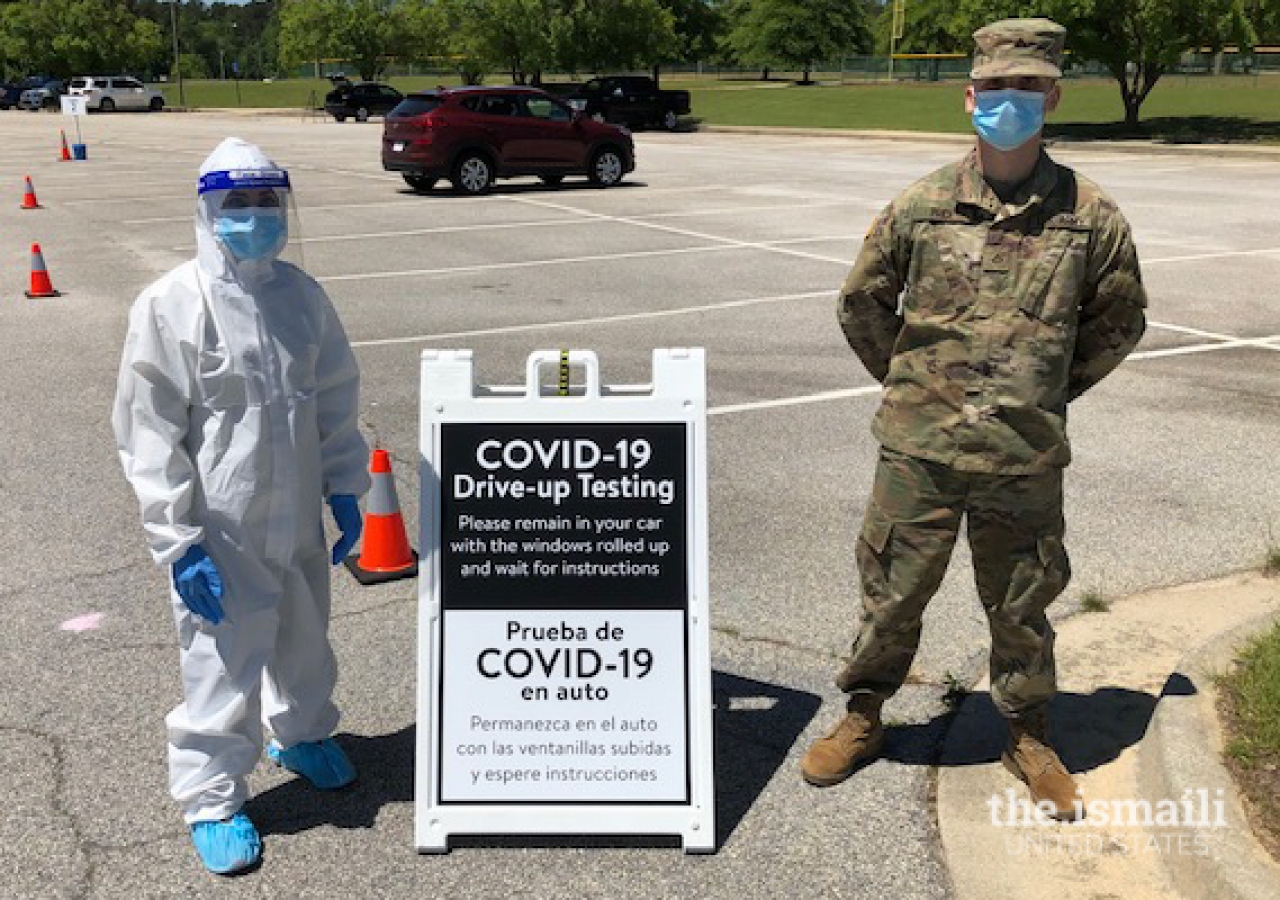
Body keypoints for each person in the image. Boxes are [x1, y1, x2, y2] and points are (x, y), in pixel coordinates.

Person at [800, 19, 1147, 821]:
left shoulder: (1090, 217)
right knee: (891, 594)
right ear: (969, 97)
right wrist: (913, 383)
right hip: (917, 451)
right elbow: (860, 302)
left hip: (1022, 459)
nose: (1011, 102)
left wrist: (1046, 392)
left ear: (1053, 96)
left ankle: (1027, 735)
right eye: (996, 88)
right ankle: (862, 716)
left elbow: (1120, 321)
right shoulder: (922, 205)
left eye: (1028, 88)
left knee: (1022, 606)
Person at [113, 138, 371, 874]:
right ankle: (212, 796)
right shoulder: (171, 305)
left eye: (267, 202)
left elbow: (333, 397)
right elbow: (149, 430)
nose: (256, 217)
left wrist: (346, 485)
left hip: (295, 515)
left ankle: (304, 731)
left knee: (303, 633)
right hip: (220, 525)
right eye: (239, 205)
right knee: (222, 660)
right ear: (207, 212)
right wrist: (178, 538)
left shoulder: (300, 296)